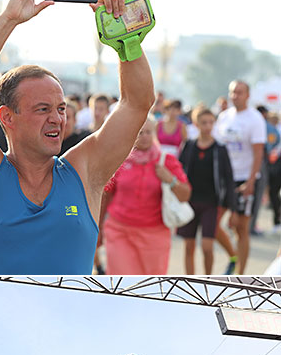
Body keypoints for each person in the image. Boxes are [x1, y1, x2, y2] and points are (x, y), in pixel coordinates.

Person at [0, 0, 154, 273]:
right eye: (42, 109)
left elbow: (137, 104)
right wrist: (7, 20)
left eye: (60, 108)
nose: (57, 118)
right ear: (7, 116)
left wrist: (126, 39)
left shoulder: (85, 171)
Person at [98, 117, 191, 274]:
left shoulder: (166, 160)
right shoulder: (119, 159)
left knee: (150, 285)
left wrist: (170, 180)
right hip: (120, 231)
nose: (144, 136)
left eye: (148, 132)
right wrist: (98, 227)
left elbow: (185, 195)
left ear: (154, 134)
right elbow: (106, 196)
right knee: (120, 282)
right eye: (140, 132)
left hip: (155, 235)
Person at [215, 81, 266, 273]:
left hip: (246, 179)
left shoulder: (255, 119)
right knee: (212, 224)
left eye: (239, 92)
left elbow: (258, 153)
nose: (235, 96)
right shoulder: (224, 117)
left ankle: (240, 274)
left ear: (248, 95)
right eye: (232, 92)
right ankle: (233, 256)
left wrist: (251, 181)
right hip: (225, 179)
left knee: (241, 229)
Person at [178, 108, 234, 274]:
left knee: (207, 246)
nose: (208, 126)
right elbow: (180, 171)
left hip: (211, 202)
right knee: (189, 246)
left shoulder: (219, 149)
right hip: (190, 202)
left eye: (211, 122)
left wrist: (229, 205)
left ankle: (207, 279)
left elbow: (228, 178)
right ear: (196, 124)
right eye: (204, 123)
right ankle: (190, 281)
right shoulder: (189, 146)